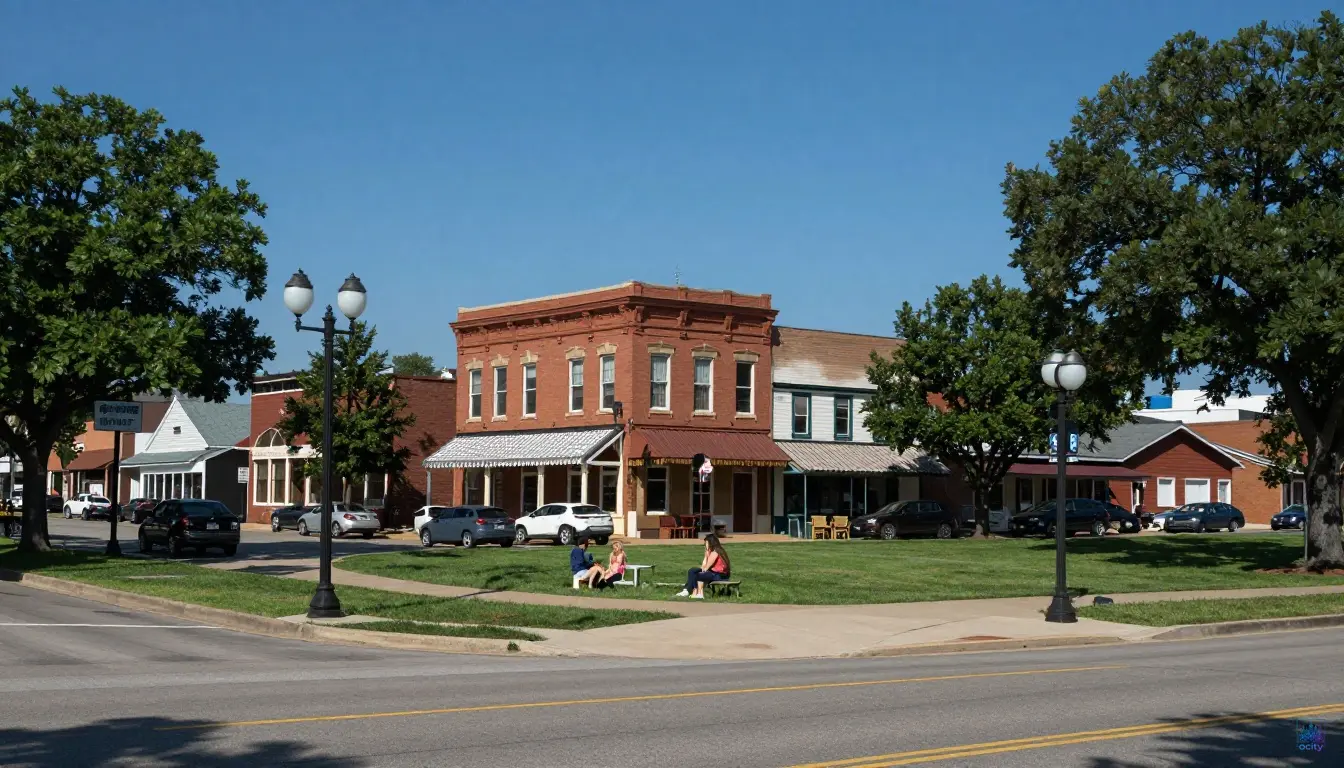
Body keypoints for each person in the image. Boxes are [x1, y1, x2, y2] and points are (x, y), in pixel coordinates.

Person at [676, 534, 731, 599]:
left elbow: (707, 566)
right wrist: (706, 554)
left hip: (719, 575)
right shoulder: (710, 551)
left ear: (711, 542)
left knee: (699, 574)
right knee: (692, 570)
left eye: (706, 543)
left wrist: (703, 569)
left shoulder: (715, 552)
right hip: (713, 571)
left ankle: (696, 592)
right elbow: (704, 564)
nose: (705, 545)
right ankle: (686, 590)